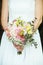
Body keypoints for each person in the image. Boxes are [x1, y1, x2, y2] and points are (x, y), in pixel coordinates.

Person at [0, 0, 43, 65]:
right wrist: (14, 38)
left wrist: (25, 38)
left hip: (31, 35)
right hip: (10, 36)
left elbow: (39, 18)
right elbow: (3, 20)